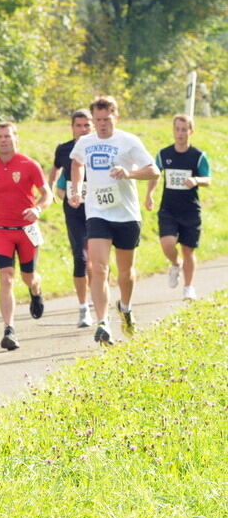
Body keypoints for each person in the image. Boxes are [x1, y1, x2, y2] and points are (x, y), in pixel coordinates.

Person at [69, 96, 159, 345]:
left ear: (115, 117)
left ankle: (126, 308)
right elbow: (76, 162)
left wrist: (128, 173)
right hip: (97, 212)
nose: (101, 125)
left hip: (127, 214)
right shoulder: (86, 142)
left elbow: (154, 170)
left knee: (125, 273)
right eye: (96, 120)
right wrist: (77, 189)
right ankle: (103, 323)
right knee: (97, 268)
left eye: (106, 120)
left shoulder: (128, 141)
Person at [0, 122, 51, 350]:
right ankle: (9, 329)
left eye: (7, 136)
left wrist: (37, 209)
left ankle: (35, 291)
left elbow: (46, 194)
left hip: (27, 230)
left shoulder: (29, 165)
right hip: (1, 231)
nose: (3, 140)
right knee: (6, 278)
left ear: (15, 138)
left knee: (29, 277)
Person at [145, 114, 212, 301]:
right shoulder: (164, 154)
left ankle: (188, 287)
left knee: (188, 250)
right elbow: (154, 175)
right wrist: (149, 194)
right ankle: (175, 264)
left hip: (190, 209)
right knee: (167, 244)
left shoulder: (198, 156)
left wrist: (196, 180)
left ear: (191, 131)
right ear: (173, 130)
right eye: (177, 129)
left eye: (184, 129)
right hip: (169, 209)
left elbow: (208, 179)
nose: (180, 133)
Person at [48, 110, 95, 327]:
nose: (83, 129)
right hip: (74, 209)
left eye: (87, 125)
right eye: (79, 125)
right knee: (81, 257)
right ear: (72, 127)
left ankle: (97, 295)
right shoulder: (64, 149)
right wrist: (53, 190)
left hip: (97, 209)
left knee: (96, 259)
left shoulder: (97, 148)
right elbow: (56, 169)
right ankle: (83, 308)